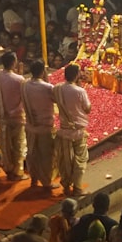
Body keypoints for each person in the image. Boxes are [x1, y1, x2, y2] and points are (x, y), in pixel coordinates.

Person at [54, 64, 90, 196]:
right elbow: (87, 109)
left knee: (65, 160)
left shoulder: (57, 88)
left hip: (64, 130)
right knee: (80, 159)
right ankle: (78, 188)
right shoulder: (80, 91)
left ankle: (66, 186)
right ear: (76, 75)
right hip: (78, 131)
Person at [0, 52, 28, 181]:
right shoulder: (19, 79)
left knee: (5, 144)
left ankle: (8, 168)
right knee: (18, 145)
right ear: (14, 62)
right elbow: (23, 97)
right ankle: (18, 172)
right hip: (16, 116)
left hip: (2, 116)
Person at [21, 60, 57, 189]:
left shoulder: (25, 84)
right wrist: (47, 80)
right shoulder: (48, 88)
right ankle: (47, 182)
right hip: (45, 126)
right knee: (46, 155)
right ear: (43, 71)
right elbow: (55, 99)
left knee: (32, 153)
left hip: (30, 125)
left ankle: (34, 179)